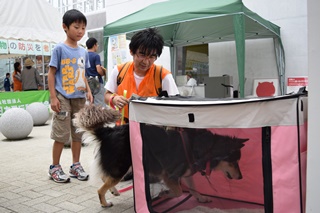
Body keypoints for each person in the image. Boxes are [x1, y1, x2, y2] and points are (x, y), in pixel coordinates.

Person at [104, 28, 179, 180]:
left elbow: (175, 104)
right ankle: (130, 171)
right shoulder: (119, 71)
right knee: (125, 160)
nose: (146, 61)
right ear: (132, 51)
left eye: (152, 56)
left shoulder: (163, 75)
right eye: (142, 54)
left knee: (150, 171)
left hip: (152, 131)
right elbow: (107, 95)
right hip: (124, 130)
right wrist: (114, 99)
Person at [47, 9, 93, 183]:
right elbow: (51, 73)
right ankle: (54, 167)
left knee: (78, 132)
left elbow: (83, 74)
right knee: (61, 132)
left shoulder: (83, 51)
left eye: (83, 27)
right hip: (63, 97)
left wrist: (88, 89)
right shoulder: (59, 48)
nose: (80, 31)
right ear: (65, 27)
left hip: (79, 97)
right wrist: (53, 97)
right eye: (76, 27)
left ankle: (75, 165)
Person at [85, 37, 107, 106]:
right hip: (97, 82)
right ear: (94, 45)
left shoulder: (84, 55)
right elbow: (98, 69)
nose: (97, 47)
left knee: (89, 103)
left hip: (87, 82)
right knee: (99, 104)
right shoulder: (96, 56)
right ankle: (99, 116)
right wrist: (103, 73)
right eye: (97, 45)